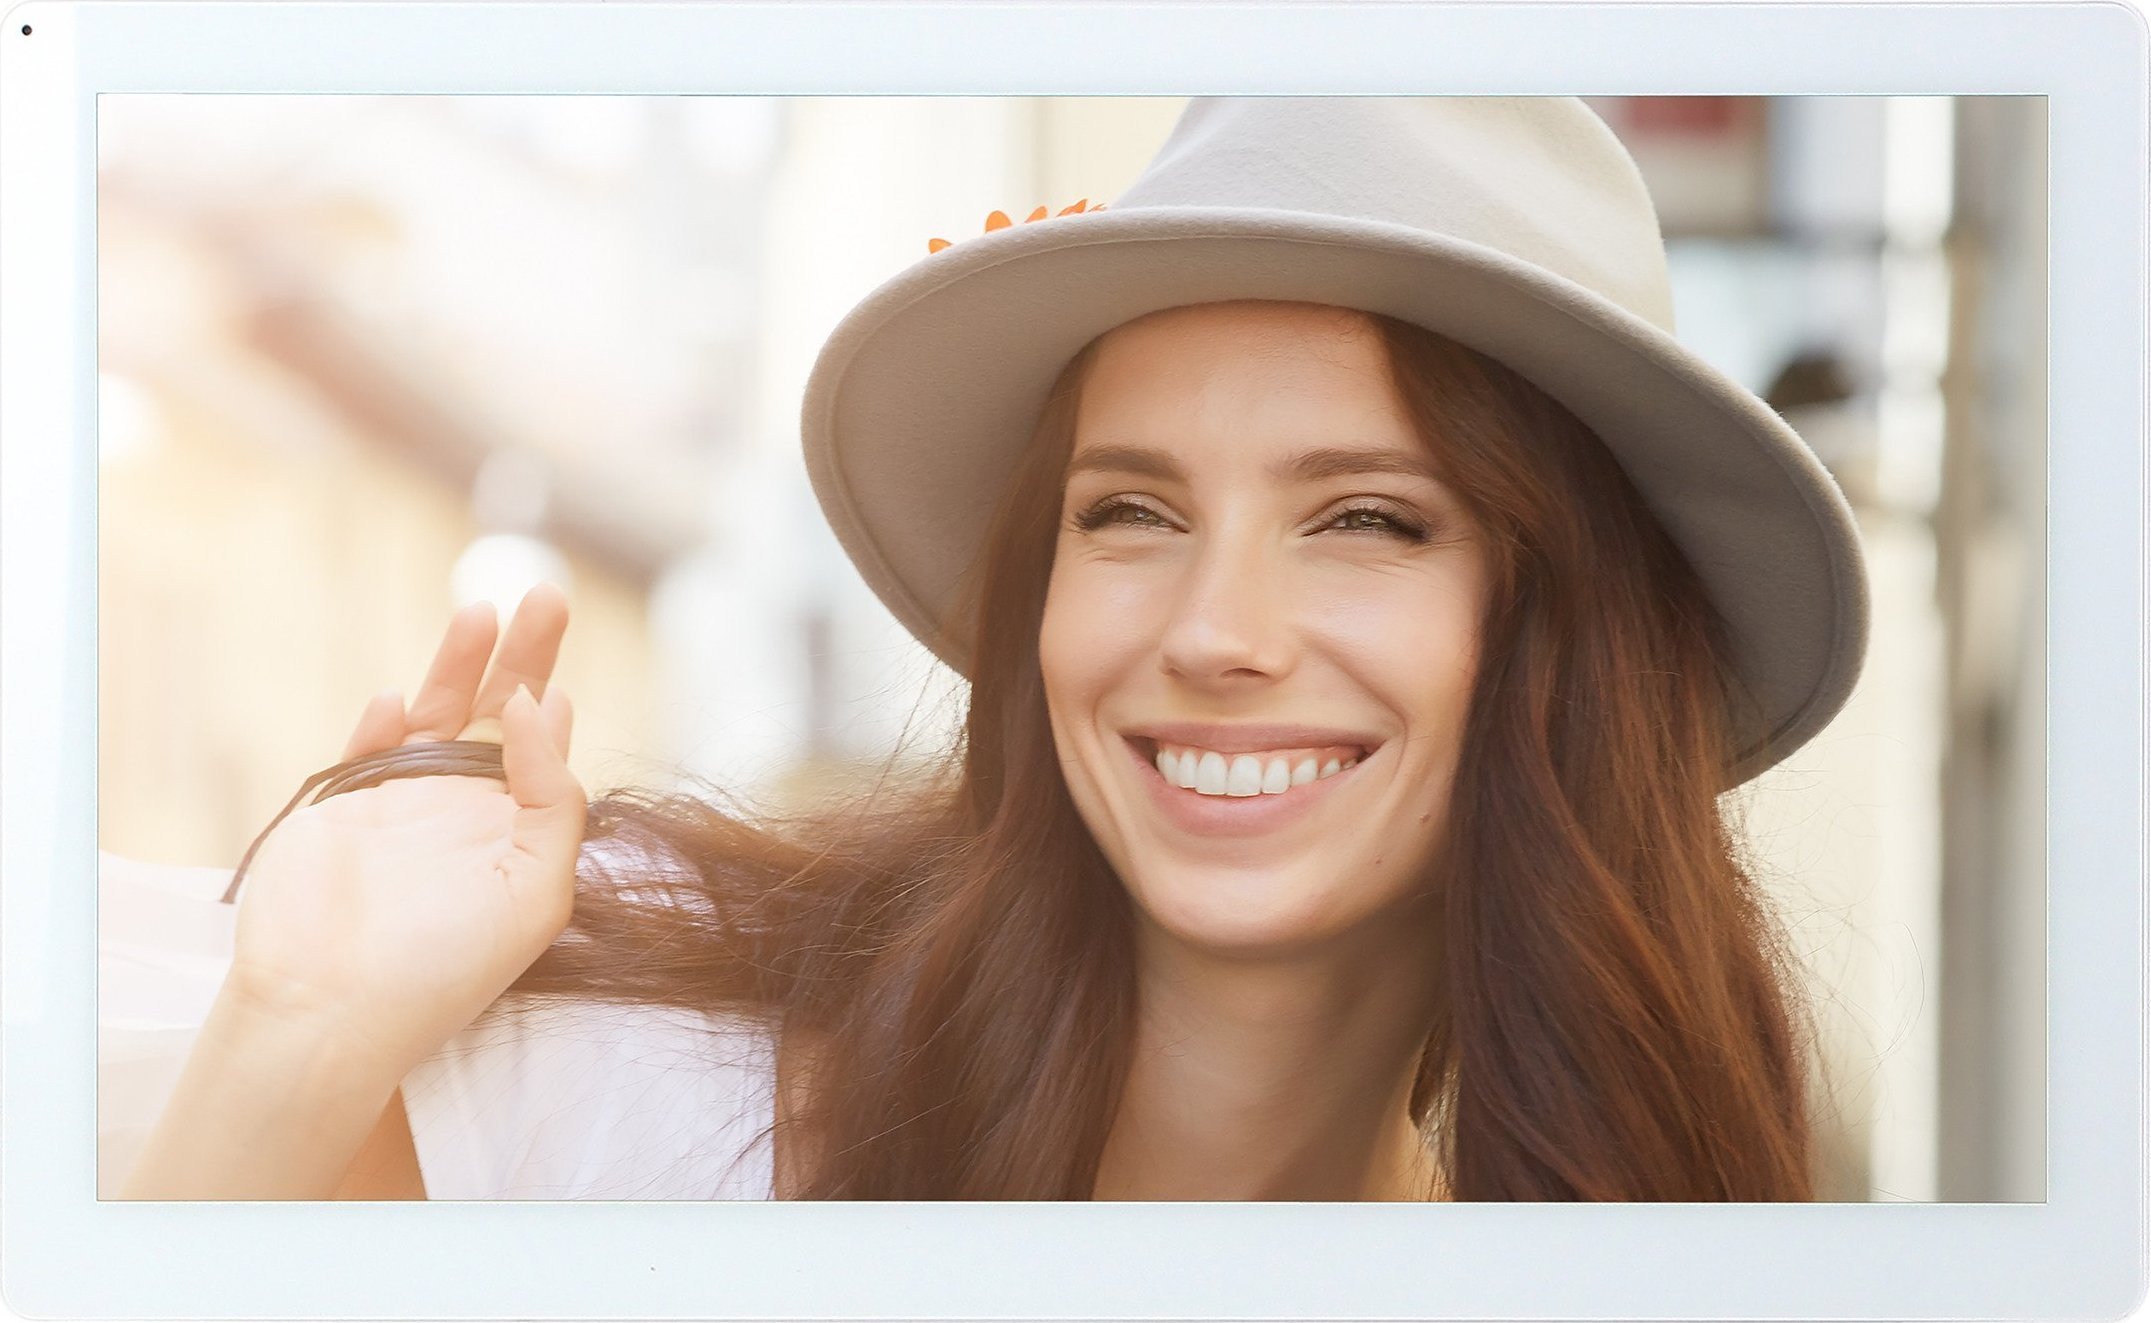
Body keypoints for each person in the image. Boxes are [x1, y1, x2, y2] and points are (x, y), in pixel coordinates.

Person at [118, 95, 1868, 1203]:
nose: (1212, 634)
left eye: (1368, 518)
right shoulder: (624, 1117)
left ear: (1574, 645)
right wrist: (296, 1035)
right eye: (1130, 512)